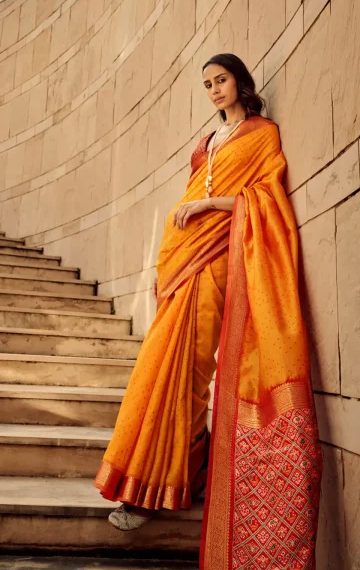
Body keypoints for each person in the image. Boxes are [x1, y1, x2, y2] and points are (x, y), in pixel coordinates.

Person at [94, 54, 322, 569]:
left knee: (191, 369)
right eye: (207, 85)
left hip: (220, 257)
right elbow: (195, 189)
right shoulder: (206, 143)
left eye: (220, 81)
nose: (214, 90)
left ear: (240, 82)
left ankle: (170, 477)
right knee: (158, 366)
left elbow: (265, 196)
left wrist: (208, 208)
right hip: (181, 260)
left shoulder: (262, 135)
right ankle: (155, 476)